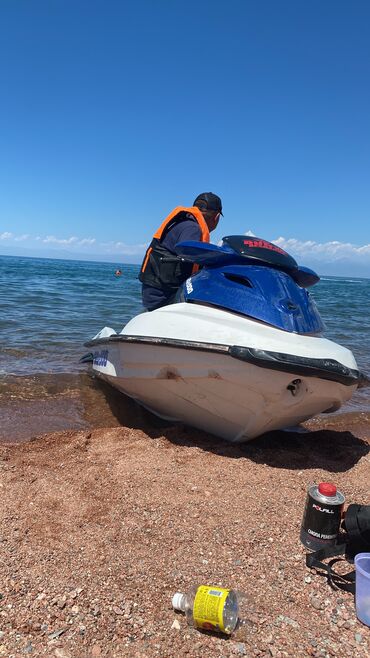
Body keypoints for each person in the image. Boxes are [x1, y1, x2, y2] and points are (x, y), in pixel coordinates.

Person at [139, 192, 223, 311]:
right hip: (163, 299)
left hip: (153, 296)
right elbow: (190, 257)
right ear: (217, 217)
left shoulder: (182, 223)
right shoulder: (193, 229)